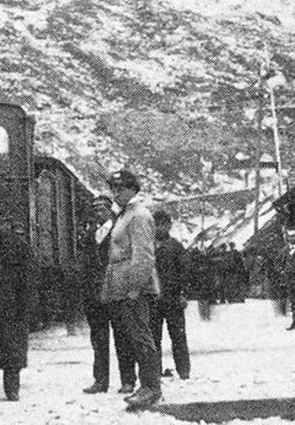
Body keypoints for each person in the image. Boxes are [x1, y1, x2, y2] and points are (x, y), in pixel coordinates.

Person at [99, 169, 162, 411]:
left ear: (133, 190)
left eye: (121, 188)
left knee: (141, 336)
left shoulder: (139, 216)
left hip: (132, 288)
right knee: (134, 337)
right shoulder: (126, 215)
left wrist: (135, 287)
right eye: (113, 189)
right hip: (121, 286)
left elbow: (144, 256)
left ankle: (151, 388)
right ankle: (147, 386)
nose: (116, 194)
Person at [80, 195, 136, 394]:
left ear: (109, 210)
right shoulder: (90, 235)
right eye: (95, 210)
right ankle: (100, 381)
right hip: (95, 296)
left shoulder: (118, 232)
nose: (98, 213)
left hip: (115, 292)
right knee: (99, 340)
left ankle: (128, 380)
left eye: (101, 209)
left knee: (123, 338)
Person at [0, 215, 34, 402]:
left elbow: (28, 279)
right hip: (10, 305)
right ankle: (10, 390)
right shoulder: (20, 245)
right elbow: (29, 279)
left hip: (1, 304)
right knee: (9, 349)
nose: (1, 227)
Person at [151, 212, 190, 381]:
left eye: (163, 224)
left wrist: (183, 294)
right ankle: (155, 371)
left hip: (173, 298)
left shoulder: (176, 246)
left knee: (178, 336)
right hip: (152, 299)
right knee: (153, 338)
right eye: (156, 224)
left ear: (169, 225)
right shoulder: (146, 246)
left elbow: (185, 272)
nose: (159, 228)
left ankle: (184, 371)